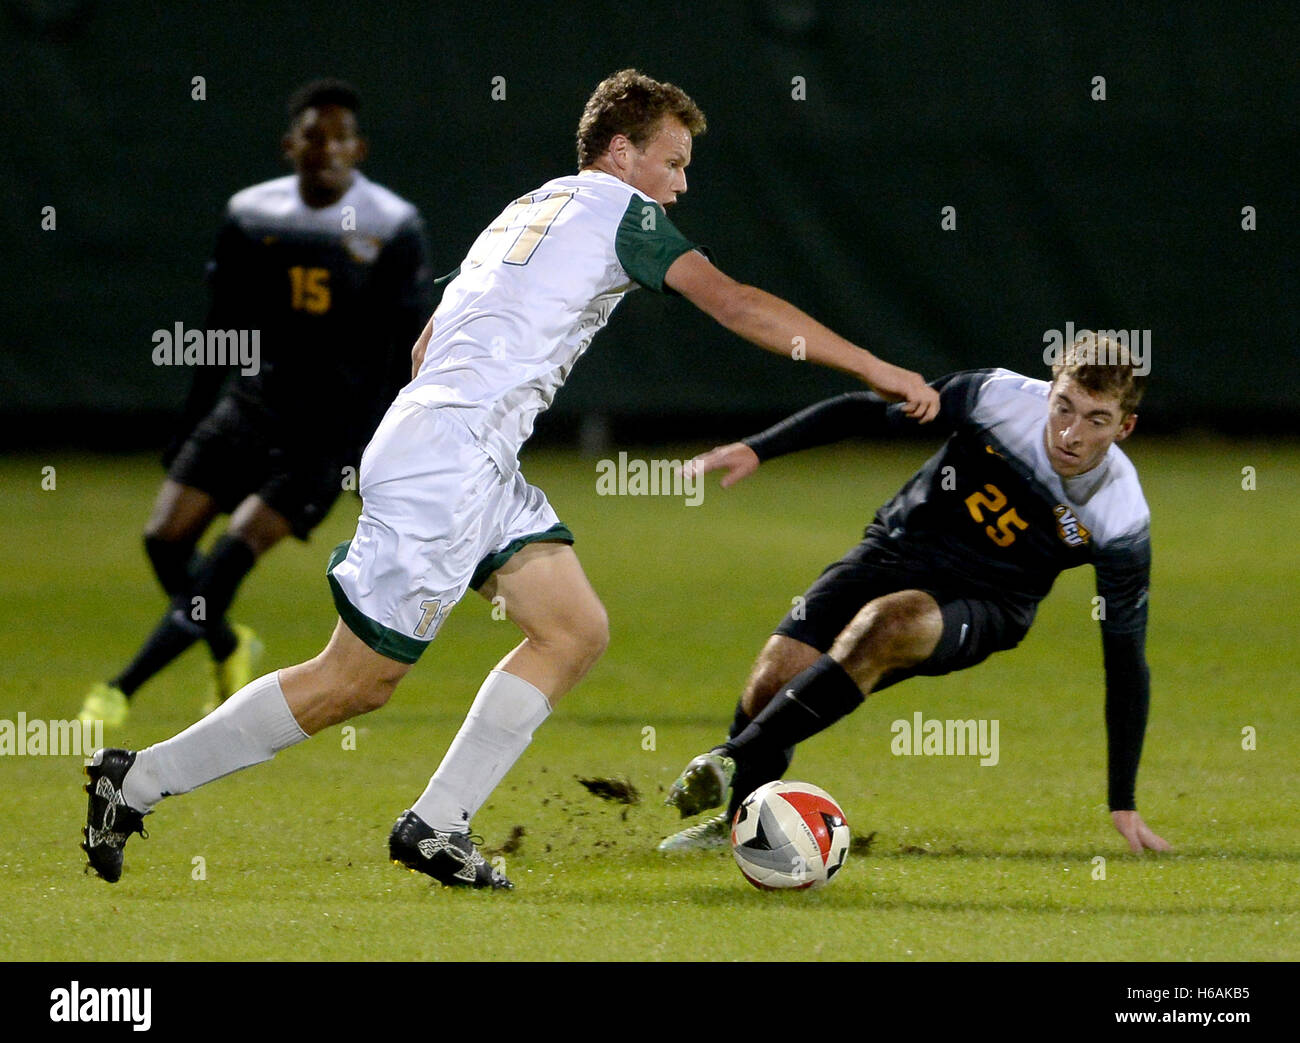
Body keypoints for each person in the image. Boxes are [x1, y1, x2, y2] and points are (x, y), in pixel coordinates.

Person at [81, 68, 938, 890]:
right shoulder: (619, 211)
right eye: (671, 162)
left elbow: (429, 335)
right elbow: (737, 302)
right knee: (357, 679)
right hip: (447, 459)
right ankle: (136, 778)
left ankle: (436, 824)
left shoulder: (529, 206)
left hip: (465, 452)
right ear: (617, 150)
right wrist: (873, 367)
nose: (679, 185)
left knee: (571, 629)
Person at [661, 335, 1170, 856]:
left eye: (1096, 420)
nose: (1070, 432)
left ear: (1125, 427)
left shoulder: (1119, 515)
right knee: (777, 671)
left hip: (988, 603)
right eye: (1063, 407)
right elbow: (870, 414)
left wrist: (1122, 799)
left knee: (890, 623)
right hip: (896, 550)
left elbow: (1126, 659)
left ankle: (728, 759)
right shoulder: (994, 397)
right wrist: (759, 447)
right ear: (1049, 393)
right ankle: (737, 823)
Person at [77, 79, 431, 728]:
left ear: (361, 149)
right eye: (313, 135)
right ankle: (229, 644)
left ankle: (121, 688)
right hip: (250, 405)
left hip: (327, 431)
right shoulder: (250, 214)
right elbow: (221, 326)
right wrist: (190, 419)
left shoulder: (392, 225)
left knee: (227, 558)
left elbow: (404, 350)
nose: (326, 148)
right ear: (289, 144)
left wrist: (377, 445)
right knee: (163, 539)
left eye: (340, 137)